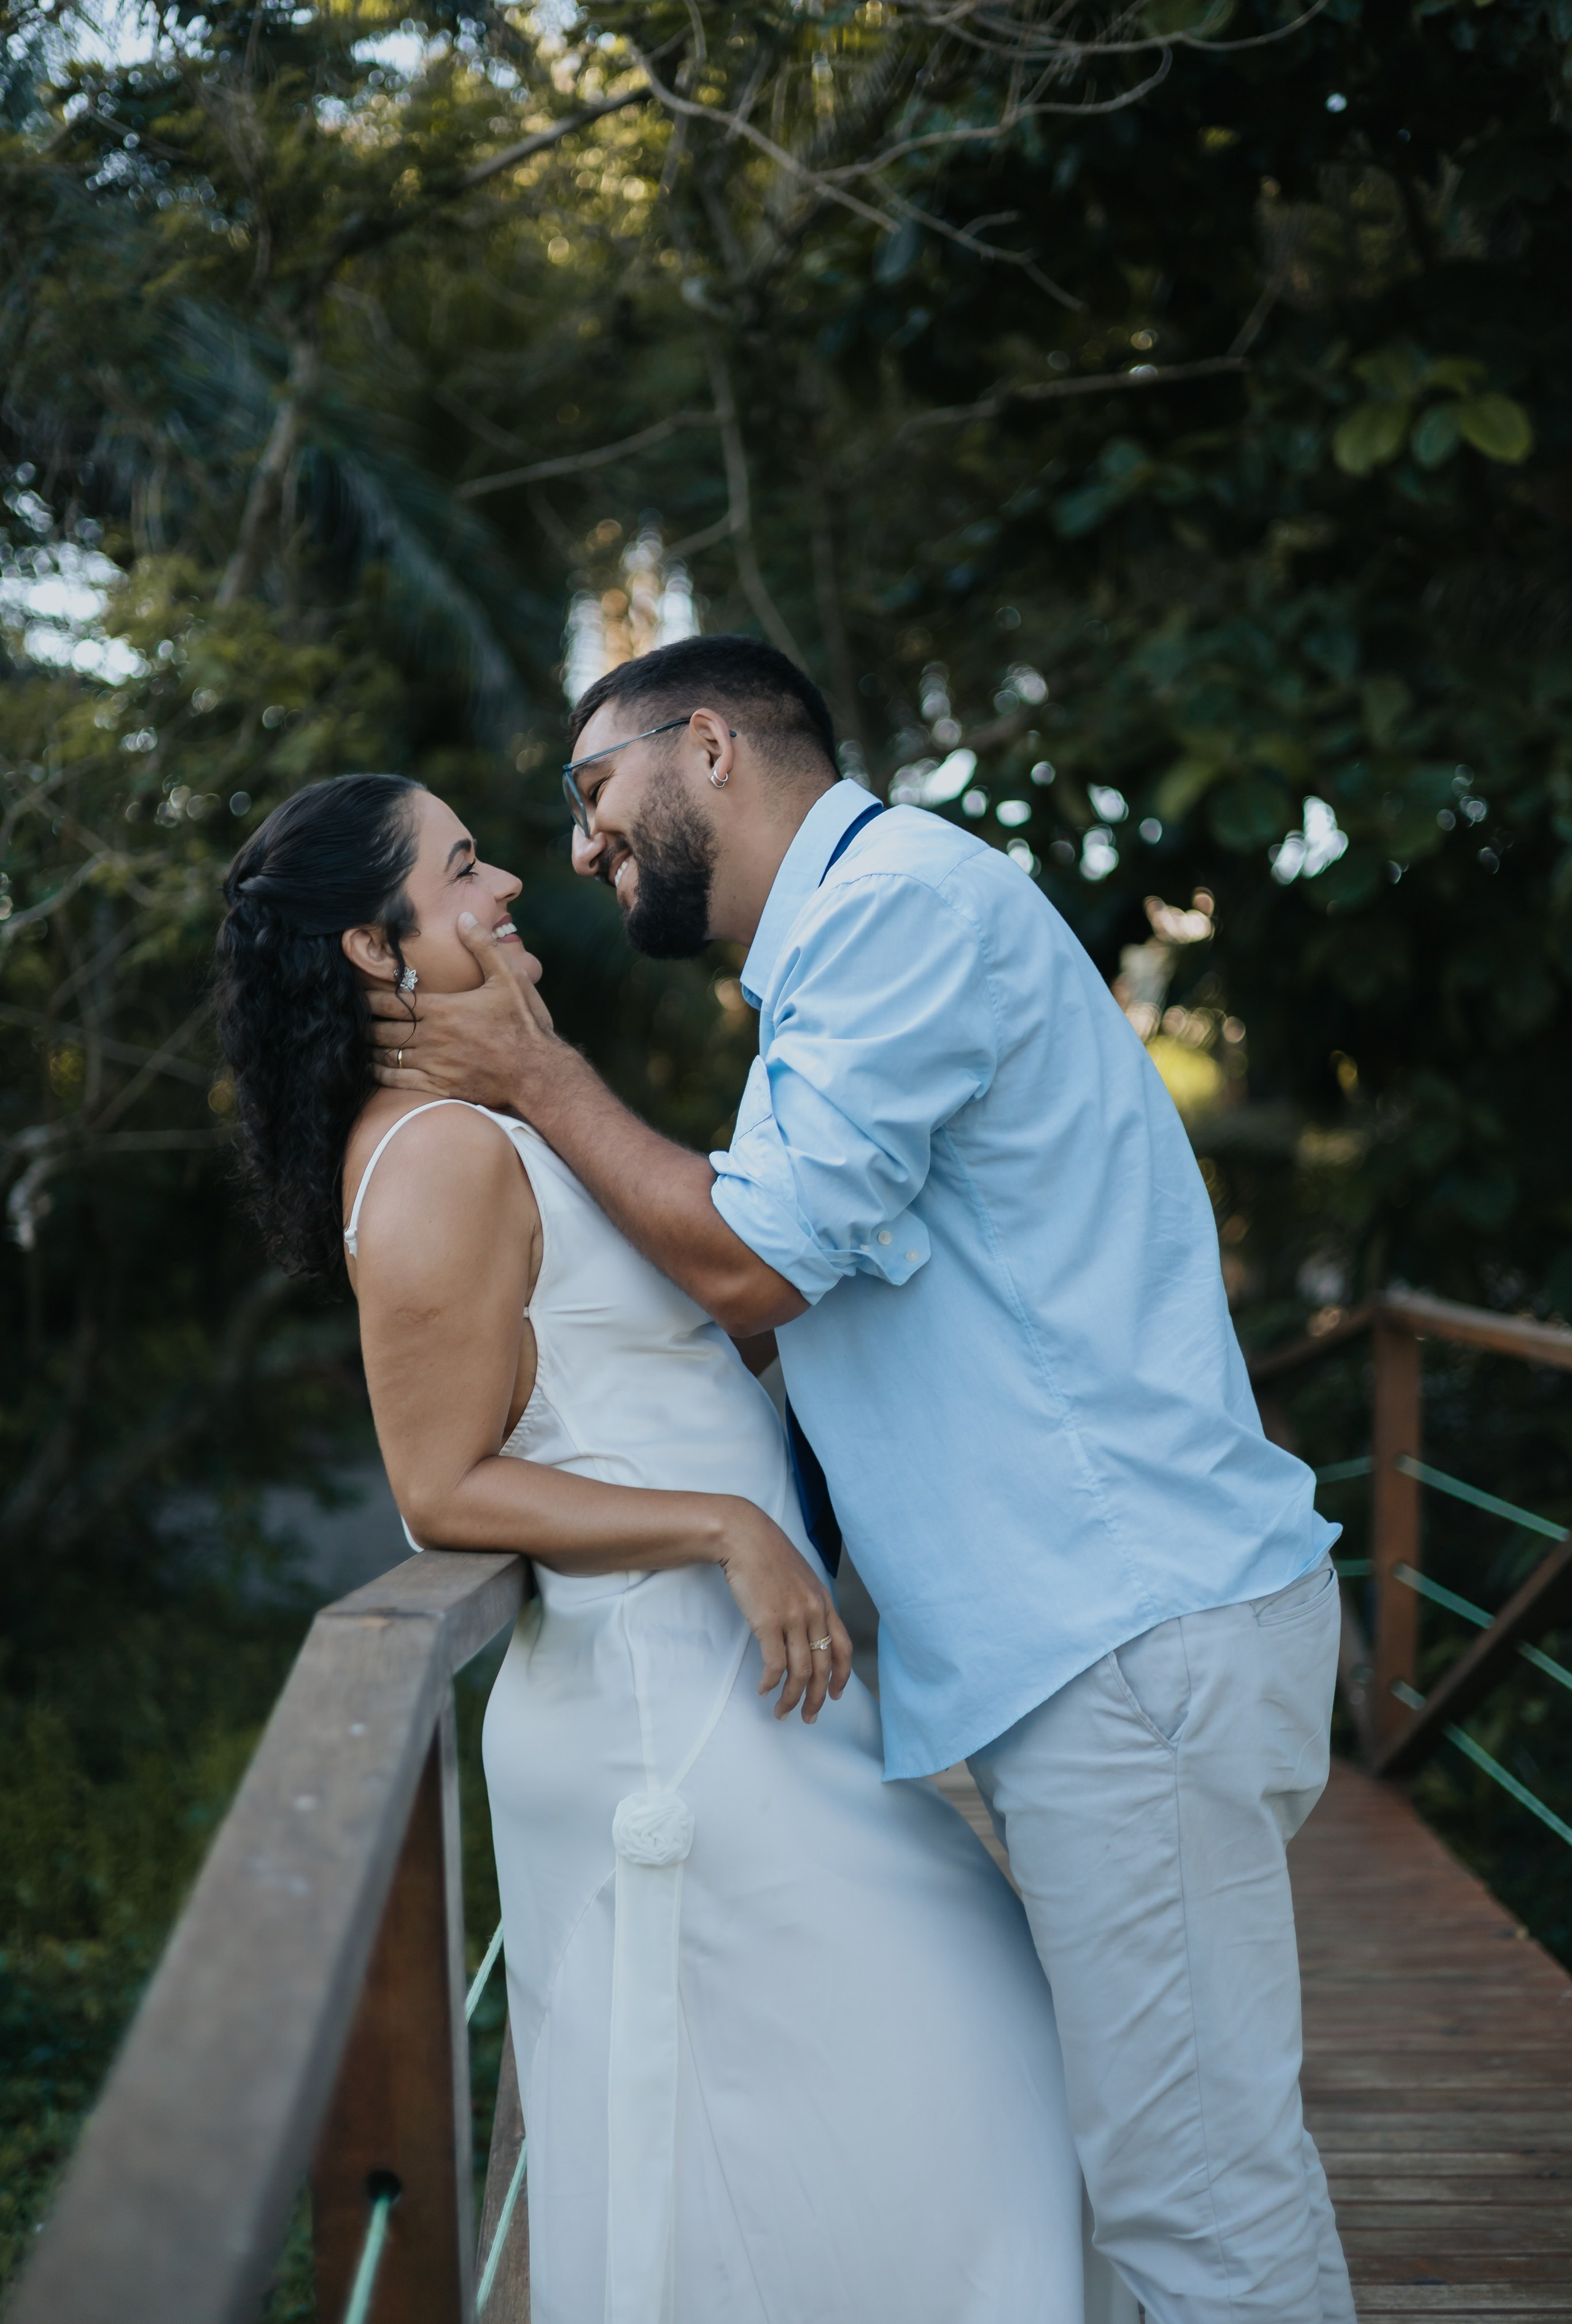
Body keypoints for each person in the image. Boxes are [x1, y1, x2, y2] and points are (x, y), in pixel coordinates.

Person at [370, 635, 1358, 2324]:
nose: (586, 859)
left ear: (707, 750)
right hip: (1093, 1649)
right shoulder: (841, 957)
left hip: (1130, 1639)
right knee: (1149, 2187)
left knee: (1198, 2208)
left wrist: (536, 1077)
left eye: (596, 802)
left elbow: (756, 1263)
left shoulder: (902, 912)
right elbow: (783, 1309)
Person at [214, 771, 1133, 2324]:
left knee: (933, 2100)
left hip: (746, 1701)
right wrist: (720, 1527)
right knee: (927, 2094)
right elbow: (443, 1490)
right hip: (671, 1717)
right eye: (457, 870)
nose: (505, 882)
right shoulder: (434, 1153)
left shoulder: (485, 1122)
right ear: (375, 950)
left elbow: (643, 1362)